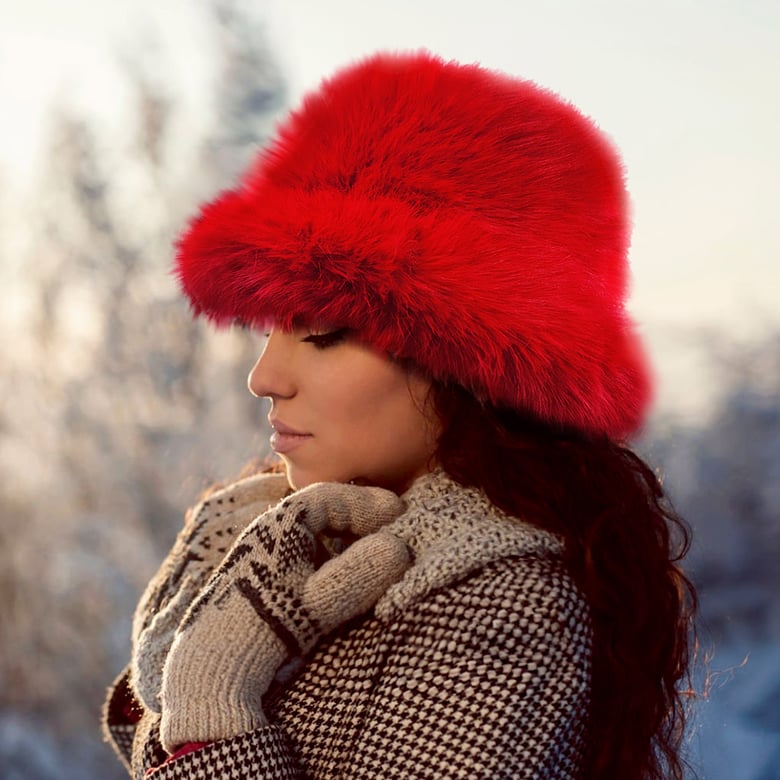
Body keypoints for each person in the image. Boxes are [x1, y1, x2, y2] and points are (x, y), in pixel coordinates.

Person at [102, 50, 696, 779]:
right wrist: (176, 633)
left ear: (469, 358)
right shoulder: (304, 535)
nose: (265, 377)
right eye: (271, 328)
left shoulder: (502, 607)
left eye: (323, 331)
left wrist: (211, 705)